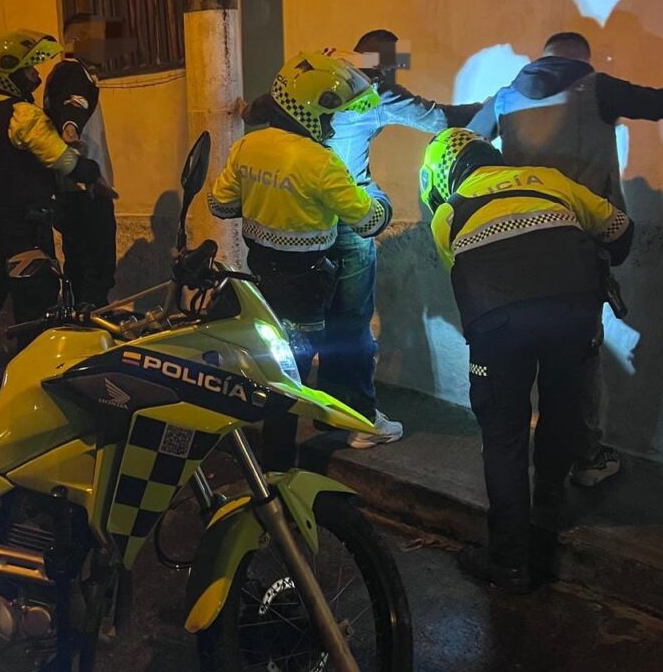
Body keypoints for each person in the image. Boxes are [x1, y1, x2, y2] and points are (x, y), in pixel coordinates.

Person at [469, 32, 663, 486]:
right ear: (583, 57)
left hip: (515, 244)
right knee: (579, 357)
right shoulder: (595, 87)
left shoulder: (503, 99)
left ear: (543, 55)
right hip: (581, 248)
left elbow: (464, 143)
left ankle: (514, 463)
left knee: (524, 355)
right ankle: (585, 458)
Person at [420, 127, 634, 592]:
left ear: (443, 175)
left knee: (503, 436)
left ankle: (511, 564)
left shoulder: (447, 213)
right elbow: (620, 230)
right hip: (575, 310)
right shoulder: (549, 179)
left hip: (499, 324)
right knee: (561, 407)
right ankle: (550, 505)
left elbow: (461, 278)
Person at [210, 51, 392, 467]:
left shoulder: (246, 146)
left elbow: (220, 206)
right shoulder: (321, 162)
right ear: (310, 111)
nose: (332, 125)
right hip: (308, 283)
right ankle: (281, 476)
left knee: (274, 364)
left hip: (262, 276)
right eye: (330, 116)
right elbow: (367, 223)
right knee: (297, 372)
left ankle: (271, 459)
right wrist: (380, 201)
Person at [318, 29, 481, 447]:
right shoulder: (375, 93)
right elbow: (441, 119)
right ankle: (358, 418)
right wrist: (498, 108)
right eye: (393, 63)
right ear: (384, 62)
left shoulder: (321, 79)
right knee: (353, 321)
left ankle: (323, 410)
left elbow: (266, 105)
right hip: (350, 218)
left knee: (316, 321)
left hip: (304, 217)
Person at [0, 30, 102, 407]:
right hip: (25, 235)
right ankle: (27, 402)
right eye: (28, 70)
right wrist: (89, 170)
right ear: (9, 73)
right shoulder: (23, 115)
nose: (36, 77)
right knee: (36, 319)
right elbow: (62, 160)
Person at [44, 14, 120, 308]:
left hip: (71, 190)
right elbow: (74, 105)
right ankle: (91, 336)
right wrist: (70, 127)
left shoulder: (62, 73)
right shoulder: (72, 72)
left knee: (78, 268)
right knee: (97, 272)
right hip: (85, 191)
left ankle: (77, 326)